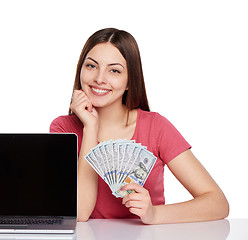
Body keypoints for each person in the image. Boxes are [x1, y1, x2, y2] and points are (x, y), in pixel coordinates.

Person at [49, 28, 229, 224]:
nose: (99, 78)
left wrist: (154, 214)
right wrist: (90, 127)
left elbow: (217, 203)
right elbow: (80, 213)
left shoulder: (156, 127)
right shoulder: (63, 128)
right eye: (91, 66)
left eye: (114, 70)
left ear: (129, 81)